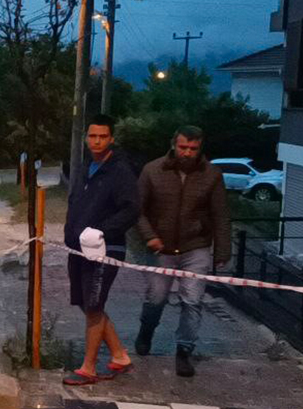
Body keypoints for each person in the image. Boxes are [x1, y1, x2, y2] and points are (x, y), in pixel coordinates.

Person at [133, 126, 231, 377]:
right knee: (157, 296)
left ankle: (184, 351)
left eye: (193, 149)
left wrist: (222, 251)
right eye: (183, 147)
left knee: (192, 300)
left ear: (200, 149)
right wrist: (149, 236)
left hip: (195, 246)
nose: (187, 153)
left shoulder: (212, 175)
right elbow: (137, 210)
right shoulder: (152, 171)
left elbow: (220, 214)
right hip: (161, 246)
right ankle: (147, 330)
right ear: (174, 145)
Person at [62, 114, 140, 386]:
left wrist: (103, 230)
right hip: (79, 249)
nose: (96, 141)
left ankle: (88, 368)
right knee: (85, 303)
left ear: (111, 139)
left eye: (102, 136)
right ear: (86, 138)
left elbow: (132, 208)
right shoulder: (86, 167)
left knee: (94, 305)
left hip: (105, 249)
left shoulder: (120, 171)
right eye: (92, 136)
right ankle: (119, 356)